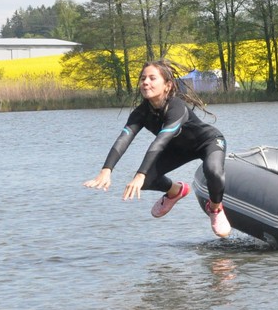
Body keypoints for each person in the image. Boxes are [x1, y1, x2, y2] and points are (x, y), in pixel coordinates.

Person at [84, 59, 231, 237]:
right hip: (177, 149)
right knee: (144, 182)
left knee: (213, 171)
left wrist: (140, 174)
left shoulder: (176, 107)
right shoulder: (140, 113)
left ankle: (215, 208)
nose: (145, 82)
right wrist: (106, 170)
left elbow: (160, 141)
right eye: (143, 78)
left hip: (208, 142)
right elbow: (124, 139)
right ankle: (176, 191)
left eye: (152, 78)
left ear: (168, 85)